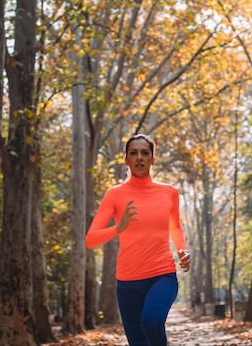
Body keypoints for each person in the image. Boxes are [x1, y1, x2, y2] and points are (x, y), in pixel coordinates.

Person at [86, 133, 191, 346]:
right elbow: (90, 239)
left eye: (145, 153)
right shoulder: (115, 194)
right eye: (133, 153)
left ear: (153, 159)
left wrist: (182, 250)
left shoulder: (169, 192)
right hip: (128, 282)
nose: (139, 157)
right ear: (126, 160)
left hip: (162, 275)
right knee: (138, 343)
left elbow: (175, 226)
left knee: (152, 322)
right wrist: (119, 227)